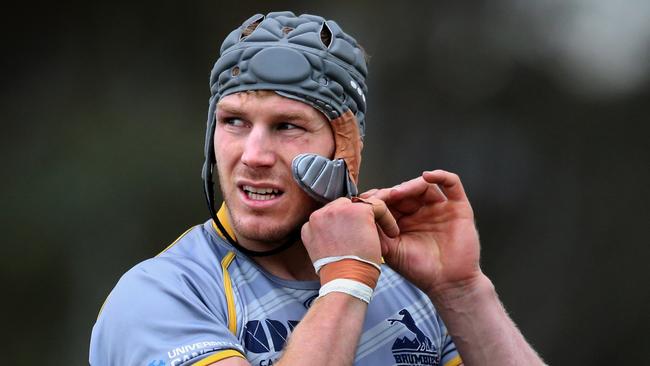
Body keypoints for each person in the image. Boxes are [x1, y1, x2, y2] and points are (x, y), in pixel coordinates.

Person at [90, 11, 545, 366]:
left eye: (287, 126)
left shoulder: (410, 289)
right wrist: (347, 281)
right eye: (234, 122)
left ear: (344, 150)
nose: (253, 154)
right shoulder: (161, 295)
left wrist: (461, 289)